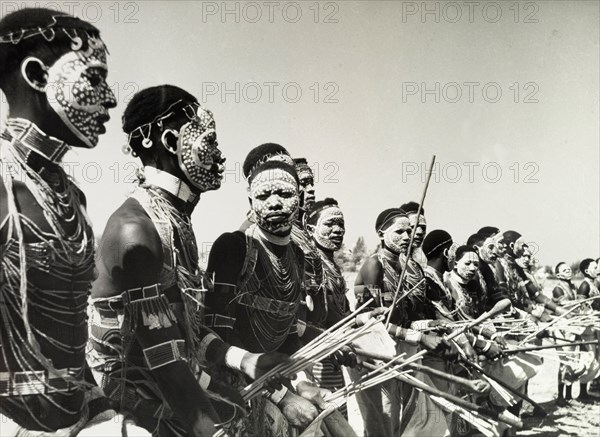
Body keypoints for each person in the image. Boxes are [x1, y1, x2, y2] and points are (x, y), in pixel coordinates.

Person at [88, 86, 284, 436]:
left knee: (243, 406)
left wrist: (248, 361)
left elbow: (183, 333)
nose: (219, 156)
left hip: (165, 382)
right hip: (126, 399)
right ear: (164, 140)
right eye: (207, 141)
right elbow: (165, 362)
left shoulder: (176, 223)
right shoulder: (136, 230)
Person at [0, 8, 127, 435]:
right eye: (94, 78)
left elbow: (68, 335)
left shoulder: (73, 196)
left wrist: (99, 409)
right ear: (36, 75)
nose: (110, 98)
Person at [206, 159, 331, 435]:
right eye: (263, 195)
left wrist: (298, 381)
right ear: (250, 200)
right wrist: (280, 397)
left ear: (298, 199)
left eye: (284, 194)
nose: (274, 203)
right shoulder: (234, 247)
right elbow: (217, 335)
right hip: (238, 387)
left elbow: (286, 332)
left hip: (276, 380)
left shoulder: (297, 257)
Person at [353, 208, 452, 436]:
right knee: (385, 417)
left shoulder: (404, 266)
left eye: (409, 231)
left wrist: (428, 327)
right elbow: (374, 321)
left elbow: (404, 317)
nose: (407, 237)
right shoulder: (373, 265)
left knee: (408, 413)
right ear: (381, 234)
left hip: (401, 347)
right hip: (378, 352)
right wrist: (419, 336)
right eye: (399, 232)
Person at [302, 198, 350, 413]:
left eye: (341, 224)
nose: (338, 229)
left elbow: (344, 310)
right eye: (330, 224)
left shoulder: (333, 267)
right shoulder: (310, 264)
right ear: (311, 230)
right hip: (317, 353)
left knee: (338, 413)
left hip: (336, 350)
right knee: (326, 417)